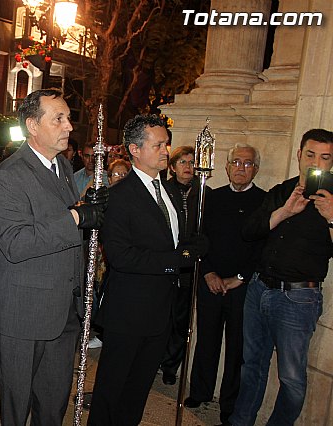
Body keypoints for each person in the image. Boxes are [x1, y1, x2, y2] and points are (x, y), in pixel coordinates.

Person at [0, 88, 108, 426]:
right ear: (32, 126)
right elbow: (16, 242)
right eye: (59, 118)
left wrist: (86, 208)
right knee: (17, 405)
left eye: (68, 118)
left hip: (63, 310)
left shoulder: (64, 168)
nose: (69, 126)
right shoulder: (9, 176)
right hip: (22, 313)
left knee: (53, 405)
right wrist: (75, 217)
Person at [88, 114, 207, 425]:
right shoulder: (119, 196)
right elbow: (122, 256)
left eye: (166, 144)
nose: (166, 151)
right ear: (135, 149)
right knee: (111, 391)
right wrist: (178, 258)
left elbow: (175, 238)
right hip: (128, 312)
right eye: (158, 145)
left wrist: (195, 244)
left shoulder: (169, 191)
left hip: (161, 310)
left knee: (138, 391)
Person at [230, 129, 333, 426]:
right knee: (252, 366)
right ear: (300, 155)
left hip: (298, 299)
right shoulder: (281, 190)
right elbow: (249, 231)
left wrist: (330, 217)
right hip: (260, 288)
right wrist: (285, 211)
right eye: (311, 154)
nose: (316, 162)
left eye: (325, 158)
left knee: (291, 379)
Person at [182, 144, 266, 425]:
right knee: (205, 340)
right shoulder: (211, 198)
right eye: (236, 162)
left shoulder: (264, 201)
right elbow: (198, 238)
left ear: (256, 169)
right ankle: (200, 391)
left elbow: (261, 247)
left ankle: (230, 403)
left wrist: (240, 277)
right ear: (227, 166)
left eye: (247, 163)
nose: (241, 167)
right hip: (211, 281)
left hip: (243, 287)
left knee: (237, 349)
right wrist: (207, 272)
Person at [160, 145, 201, 386]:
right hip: (168, 261)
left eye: (192, 162)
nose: (188, 167)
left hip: (188, 265)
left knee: (181, 318)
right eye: (183, 162)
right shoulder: (164, 191)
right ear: (173, 167)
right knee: (162, 313)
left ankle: (170, 366)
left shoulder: (203, 192)